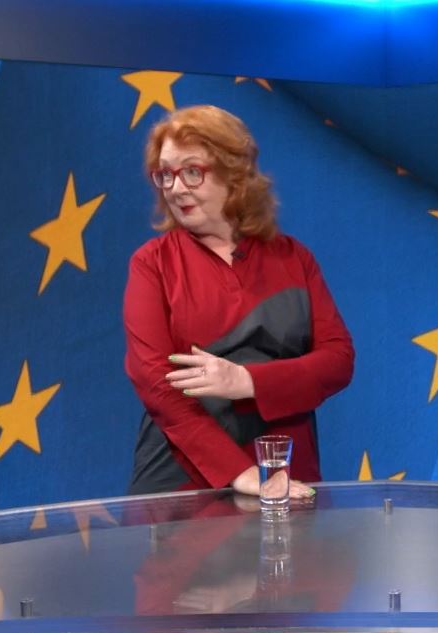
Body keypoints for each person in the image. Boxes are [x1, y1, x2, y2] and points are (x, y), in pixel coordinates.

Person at [123, 105, 355, 496]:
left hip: (285, 476)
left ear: (234, 174)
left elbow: (338, 360)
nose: (175, 188)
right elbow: (156, 385)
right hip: (185, 487)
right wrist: (240, 473)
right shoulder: (152, 264)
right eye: (165, 174)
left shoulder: (294, 259)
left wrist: (247, 381)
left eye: (192, 171)